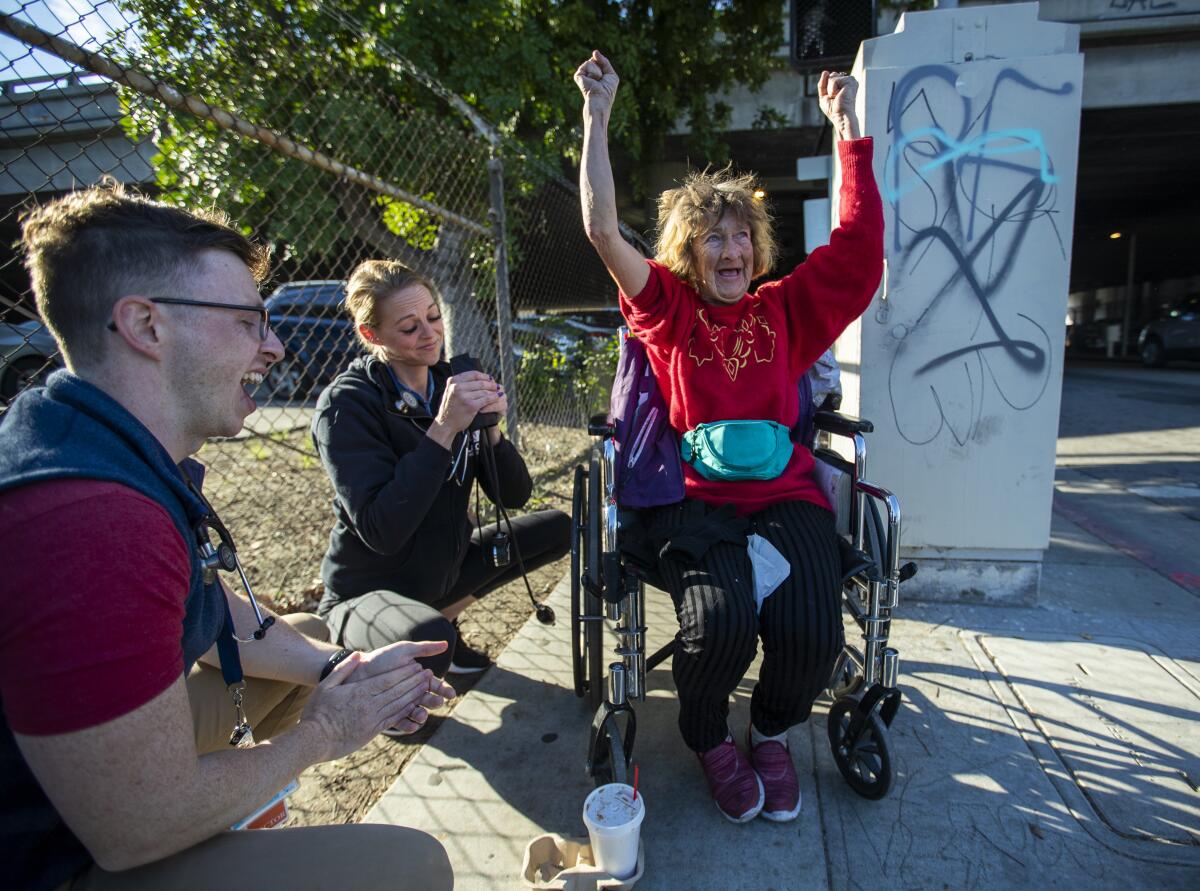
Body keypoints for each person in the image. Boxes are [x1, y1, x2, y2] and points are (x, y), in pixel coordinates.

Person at [0, 183, 455, 890]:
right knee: (412, 864)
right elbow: (133, 827)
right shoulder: (92, 520)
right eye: (248, 320)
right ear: (147, 326)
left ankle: (231, 818)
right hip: (55, 851)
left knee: (303, 642)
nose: (274, 345)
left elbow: (215, 612)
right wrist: (324, 734)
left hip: (70, 774)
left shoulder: (87, 434)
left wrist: (341, 670)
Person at [574, 50, 883, 824]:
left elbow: (859, 252)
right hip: (696, 502)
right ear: (687, 252)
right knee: (718, 627)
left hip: (785, 494)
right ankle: (710, 738)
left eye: (741, 236)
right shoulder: (669, 310)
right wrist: (597, 114)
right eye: (714, 238)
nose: (733, 251)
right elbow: (602, 229)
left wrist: (849, 127)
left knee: (814, 628)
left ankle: (772, 730)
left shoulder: (785, 308)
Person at [311, 259, 570, 673]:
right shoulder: (346, 407)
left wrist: (491, 430)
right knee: (429, 642)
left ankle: (442, 615)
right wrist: (444, 428)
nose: (430, 334)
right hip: (369, 591)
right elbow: (383, 530)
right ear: (371, 334)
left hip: (440, 571)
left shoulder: (452, 380)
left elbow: (515, 495)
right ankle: (389, 670)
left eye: (433, 317)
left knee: (558, 528)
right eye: (410, 327)